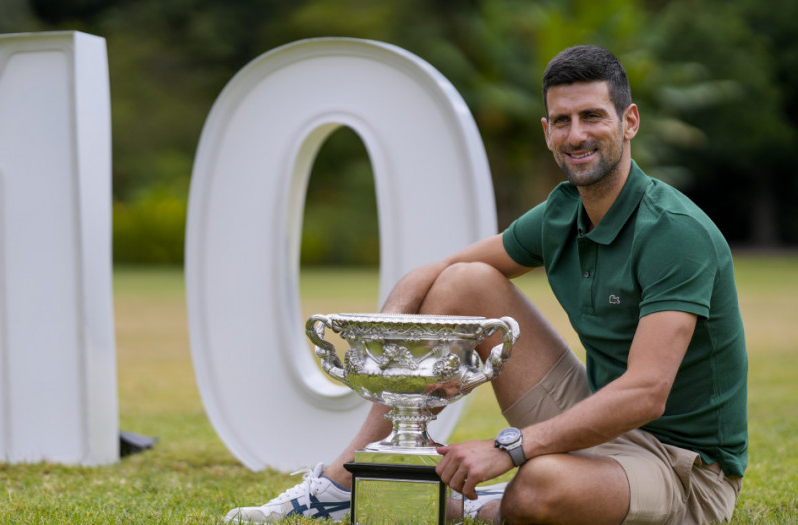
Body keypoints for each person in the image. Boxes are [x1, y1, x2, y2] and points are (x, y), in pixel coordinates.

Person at [224, 45, 747, 525]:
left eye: (592, 116)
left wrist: (510, 447)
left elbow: (646, 393)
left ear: (628, 121)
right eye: (562, 121)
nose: (576, 135)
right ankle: (347, 480)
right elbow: (442, 271)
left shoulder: (674, 232)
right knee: (464, 283)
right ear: (547, 131)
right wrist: (388, 333)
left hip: (682, 468)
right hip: (599, 418)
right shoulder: (563, 211)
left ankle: (472, 506)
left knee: (539, 488)